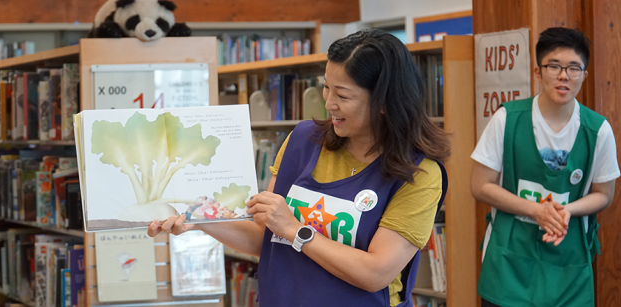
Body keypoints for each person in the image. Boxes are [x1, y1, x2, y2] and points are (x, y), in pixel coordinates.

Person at [148, 29, 450, 307]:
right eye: (326, 88)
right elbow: (262, 238)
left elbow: (375, 273)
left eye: (343, 95)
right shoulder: (303, 141)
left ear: (385, 101)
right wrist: (198, 217)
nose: (329, 103)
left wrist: (294, 229)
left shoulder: (419, 174)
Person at [471, 27, 619, 307]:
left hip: (568, 266)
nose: (564, 75)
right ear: (538, 72)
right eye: (554, 66)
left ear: (584, 76)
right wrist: (537, 210)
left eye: (574, 68)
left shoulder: (598, 130)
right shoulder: (506, 119)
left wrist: (566, 211)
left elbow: (605, 194)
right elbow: (479, 186)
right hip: (509, 263)